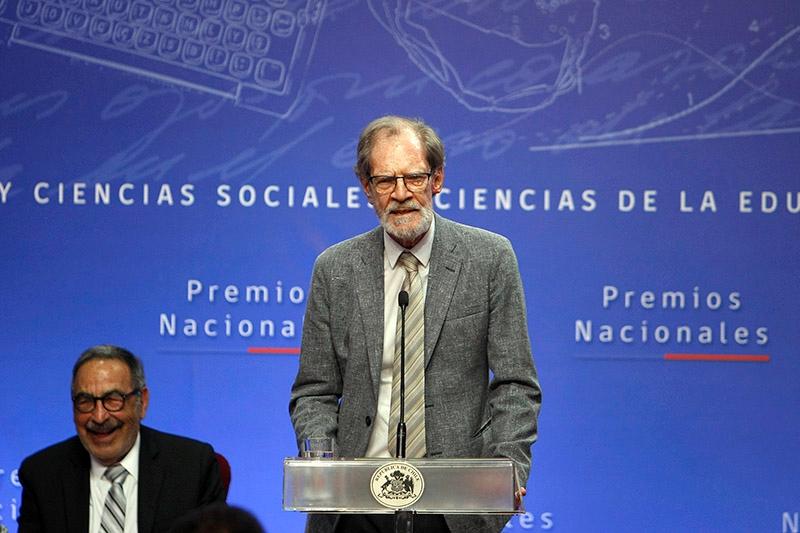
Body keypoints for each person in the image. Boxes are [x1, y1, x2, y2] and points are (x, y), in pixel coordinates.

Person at [289, 115, 542, 533]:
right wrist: (323, 468)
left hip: (455, 505)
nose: (402, 194)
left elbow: (516, 384)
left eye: (414, 178)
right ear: (368, 190)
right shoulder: (335, 269)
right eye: (386, 181)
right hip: (355, 505)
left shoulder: (489, 258)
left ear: (437, 179)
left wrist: (507, 471)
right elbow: (314, 390)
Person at [18, 344, 226, 532]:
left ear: (142, 402)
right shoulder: (43, 474)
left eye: (113, 400)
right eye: (85, 401)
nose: (99, 416)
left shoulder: (192, 467)